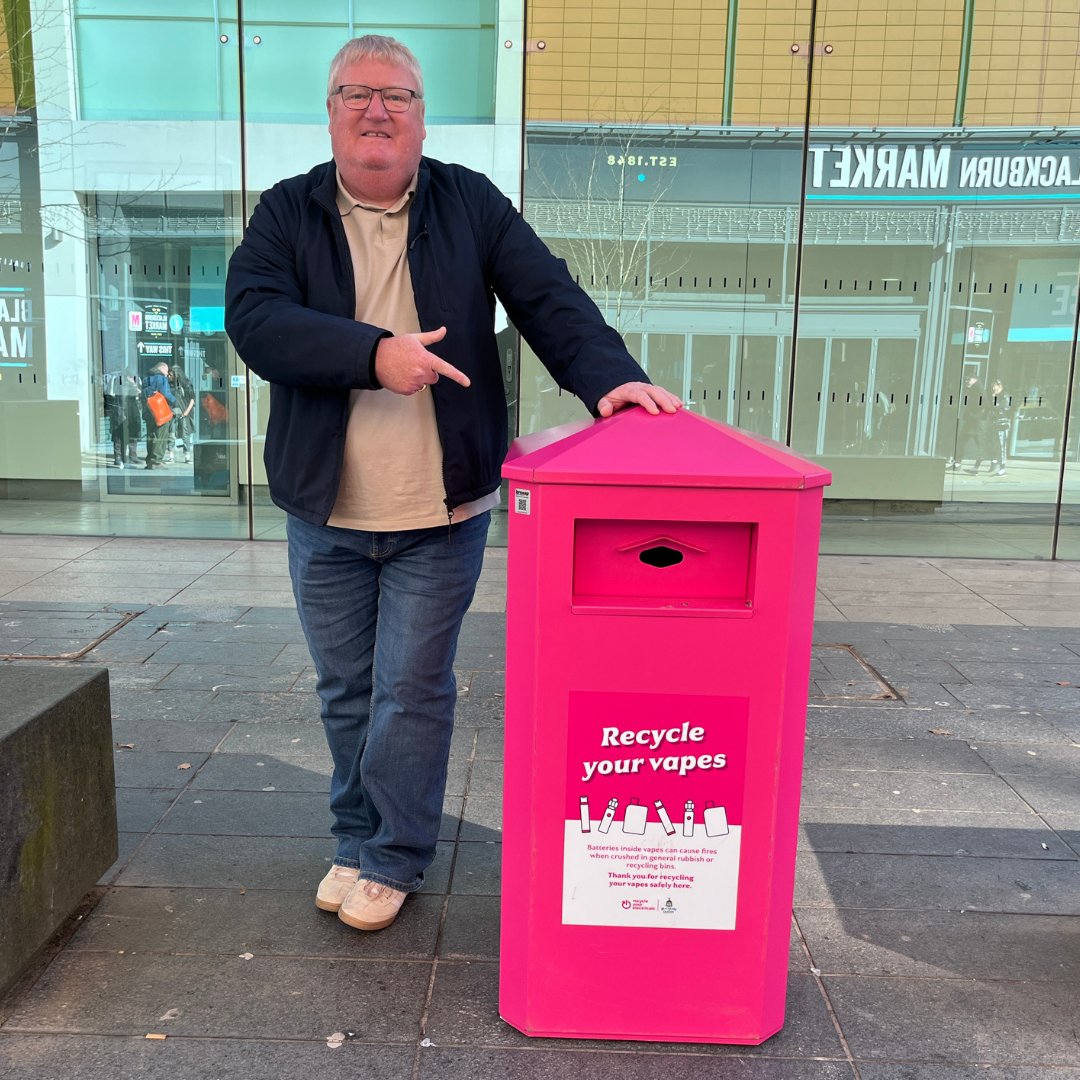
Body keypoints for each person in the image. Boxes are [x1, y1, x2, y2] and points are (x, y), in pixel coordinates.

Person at [224, 34, 681, 933]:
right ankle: (355, 838)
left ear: (422, 118)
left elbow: (547, 295)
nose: (377, 110)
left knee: (410, 690)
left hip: (442, 510)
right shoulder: (285, 212)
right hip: (324, 509)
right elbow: (257, 320)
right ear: (331, 113)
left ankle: (394, 855)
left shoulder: (470, 203)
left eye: (397, 95)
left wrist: (610, 379)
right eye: (357, 94)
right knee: (345, 690)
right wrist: (373, 355)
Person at [141, 361, 178, 469]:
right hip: (161, 412)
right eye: (166, 370)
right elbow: (166, 394)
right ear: (161, 368)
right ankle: (156, 461)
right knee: (161, 436)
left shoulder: (146, 379)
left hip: (148, 412)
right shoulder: (161, 378)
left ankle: (149, 461)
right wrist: (175, 401)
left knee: (150, 436)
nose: (167, 373)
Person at [165, 363, 196, 464]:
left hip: (184, 412)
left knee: (185, 435)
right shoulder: (168, 384)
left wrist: (186, 412)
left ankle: (187, 456)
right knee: (171, 434)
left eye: (170, 374)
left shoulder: (186, 384)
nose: (168, 376)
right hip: (172, 412)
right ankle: (171, 456)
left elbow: (192, 399)